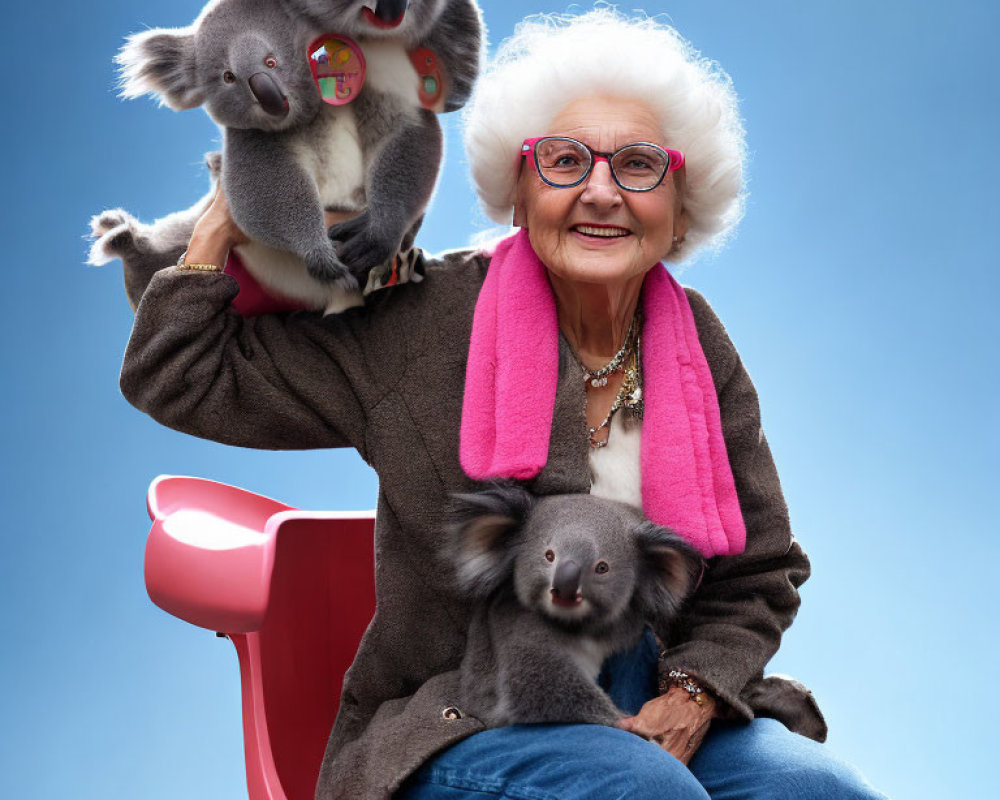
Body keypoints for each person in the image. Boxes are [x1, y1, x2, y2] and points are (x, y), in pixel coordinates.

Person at [118, 8, 888, 800]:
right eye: (561, 161)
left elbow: (758, 571)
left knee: (819, 789)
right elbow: (182, 377)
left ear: (682, 205)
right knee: (644, 793)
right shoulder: (426, 320)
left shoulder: (698, 345)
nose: (599, 192)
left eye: (639, 165)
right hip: (470, 718)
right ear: (516, 190)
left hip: (648, 694)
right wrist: (218, 228)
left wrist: (691, 696)